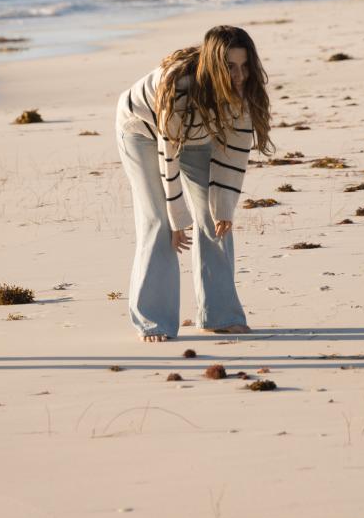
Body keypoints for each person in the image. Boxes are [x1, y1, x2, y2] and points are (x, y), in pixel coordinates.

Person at [115, 25, 274, 341]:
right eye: (230, 67)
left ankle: (220, 316)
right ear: (214, 64)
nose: (240, 75)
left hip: (198, 132)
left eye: (244, 66)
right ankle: (153, 322)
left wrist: (223, 207)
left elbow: (235, 149)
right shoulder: (178, 85)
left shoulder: (243, 89)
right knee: (159, 222)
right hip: (143, 131)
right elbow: (168, 154)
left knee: (215, 220)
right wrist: (177, 221)